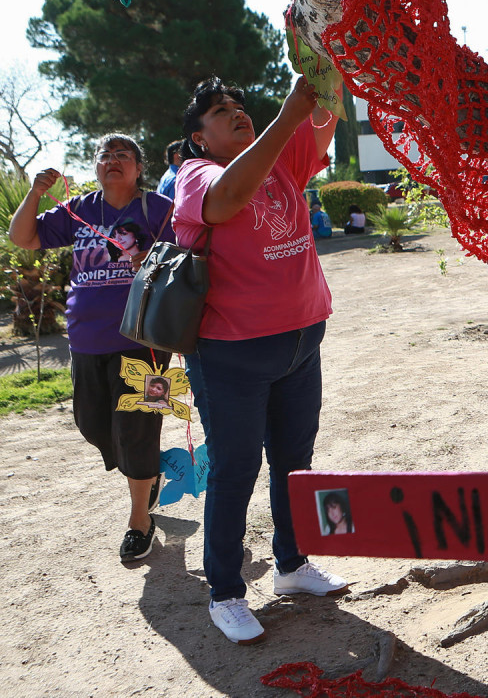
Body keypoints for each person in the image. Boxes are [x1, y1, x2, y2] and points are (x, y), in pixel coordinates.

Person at [175, 75, 346, 645]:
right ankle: (225, 592)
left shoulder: (278, 156)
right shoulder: (195, 175)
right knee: (235, 468)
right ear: (198, 138)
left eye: (240, 105)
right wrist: (287, 114)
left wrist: (321, 63)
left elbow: (326, 114)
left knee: (295, 460)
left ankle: (292, 566)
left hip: (301, 341)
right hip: (231, 352)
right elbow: (225, 202)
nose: (238, 113)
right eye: (221, 112)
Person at [8, 134, 175, 563]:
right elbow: (23, 238)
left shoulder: (159, 209)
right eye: (105, 155)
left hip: (148, 342)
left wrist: (155, 258)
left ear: (139, 168)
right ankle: (147, 470)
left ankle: (140, 520)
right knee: (94, 425)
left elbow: (189, 256)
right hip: (86, 340)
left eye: (123, 155)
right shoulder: (78, 210)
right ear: (95, 166)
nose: (113, 161)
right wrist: (35, 192)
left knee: (139, 425)